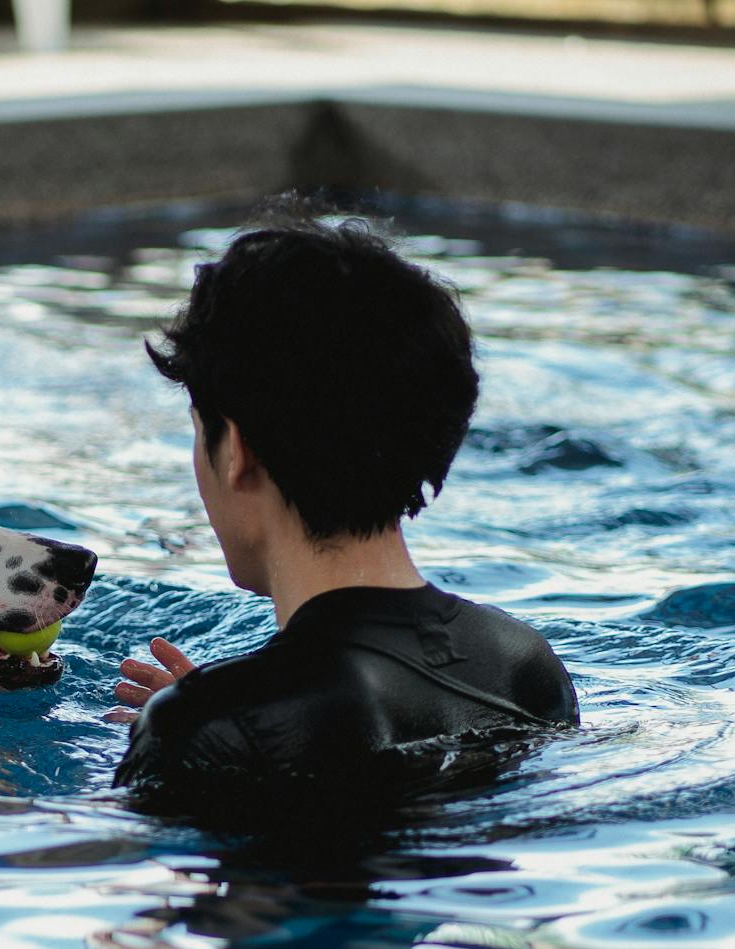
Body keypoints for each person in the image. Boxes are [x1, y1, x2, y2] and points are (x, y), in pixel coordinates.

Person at [110, 210, 578, 816]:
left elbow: (155, 897)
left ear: (238, 452)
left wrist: (205, 725)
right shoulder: (524, 663)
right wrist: (223, 711)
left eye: (200, 433)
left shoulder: (208, 728)